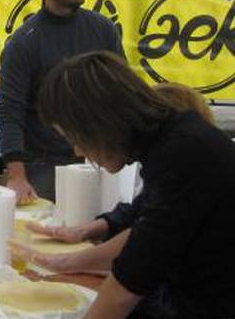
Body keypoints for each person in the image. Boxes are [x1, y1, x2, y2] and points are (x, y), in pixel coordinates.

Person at [32, 51, 235, 318]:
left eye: (76, 137)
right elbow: (142, 228)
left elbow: (127, 286)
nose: (78, 150)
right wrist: (69, 262)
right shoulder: (169, 142)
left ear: (101, 123)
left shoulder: (185, 152)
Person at [15, 81, 218, 276]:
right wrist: (84, 231)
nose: (77, 150)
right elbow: (138, 212)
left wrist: (70, 262)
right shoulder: (166, 158)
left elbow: (146, 243)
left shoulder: (185, 162)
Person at [0, 0, 124, 204]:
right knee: (48, 239)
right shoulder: (24, 42)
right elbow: (9, 111)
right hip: (45, 166)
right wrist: (17, 175)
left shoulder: (104, 30)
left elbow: (122, 95)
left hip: (102, 162)